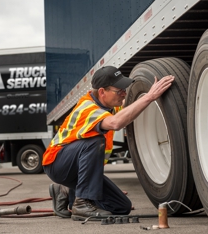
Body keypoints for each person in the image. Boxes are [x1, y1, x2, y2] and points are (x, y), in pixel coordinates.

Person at [42, 66, 175, 221]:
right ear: (102, 92)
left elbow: (128, 107)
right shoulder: (88, 109)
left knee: (121, 207)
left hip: (74, 167)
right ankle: (82, 202)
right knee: (95, 141)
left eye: (124, 89)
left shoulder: (106, 104)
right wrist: (149, 96)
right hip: (57, 163)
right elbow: (115, 123)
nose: (124, 94)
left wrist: (148, 93)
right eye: (120, 91)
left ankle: (65, 192)